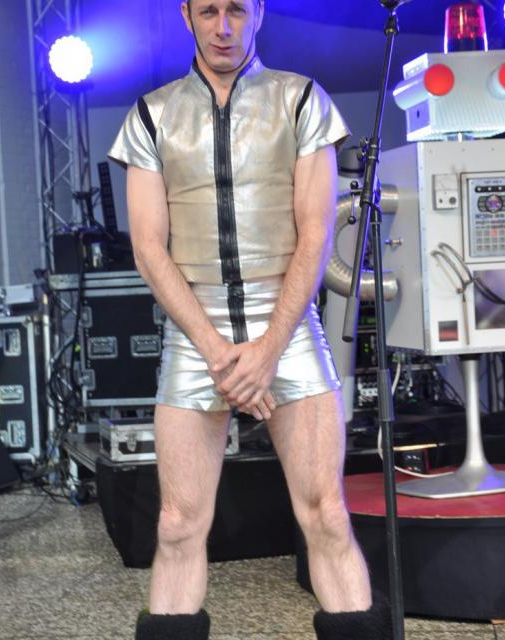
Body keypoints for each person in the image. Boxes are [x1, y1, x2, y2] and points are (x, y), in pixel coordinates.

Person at [108, 1, 392, 638]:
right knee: (178, 523)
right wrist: (219, 353)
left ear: (259, 12)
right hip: (194, 334)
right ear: (186, 15)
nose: (223, 26)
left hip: (287, 328)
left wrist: (267, 350)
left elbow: (316, 235)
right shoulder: (151, 114)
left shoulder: (301, 100)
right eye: (208, 10)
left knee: (325, 514)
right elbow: (149, 249)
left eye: (237, 9)